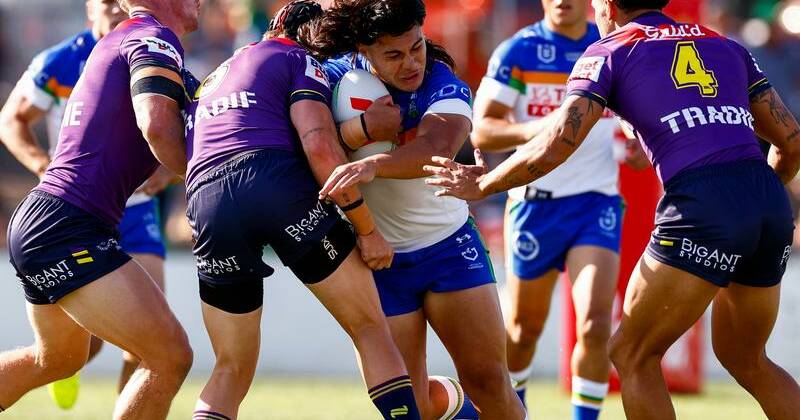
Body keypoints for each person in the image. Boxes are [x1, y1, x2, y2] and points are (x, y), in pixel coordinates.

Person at [424, 0, 800, 419]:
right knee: (749, 360)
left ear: (606, 5)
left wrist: (484, 182)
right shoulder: (723, 43)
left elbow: (557, 143)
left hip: (701, 203)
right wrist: (751, 201)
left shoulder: (610, 50)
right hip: (767, 200)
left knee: (631, 354)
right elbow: (792, 142)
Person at [183, 2, 420, 419]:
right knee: (369, 327)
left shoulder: (218, 74)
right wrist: (367, 230)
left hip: (206, 197)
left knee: (231, 367)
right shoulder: (298, 59)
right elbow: (318, 145)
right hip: (274, 183)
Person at [301, 0, 526, 418]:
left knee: (490, 383)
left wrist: (369, 163)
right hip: (379, 260)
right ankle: (452, 407)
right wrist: (359, 130)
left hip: (448, 247)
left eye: (417, 47)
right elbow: (305, 141)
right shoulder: (330, 80)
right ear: (364, 51)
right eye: (394, 54)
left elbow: (435, 149)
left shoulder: (442, 80)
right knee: (410, 408)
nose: (411, 63)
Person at [0, 0, 198, 418]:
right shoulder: (150, 36)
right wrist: (203, 178)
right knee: (169, 356)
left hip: (50, 220)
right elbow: (157, 125)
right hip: (69, 226)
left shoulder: (131, 41)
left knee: (56, 360)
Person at [471, 0, 645, 417]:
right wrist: (548, 126)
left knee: (596, 323)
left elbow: (635, 115)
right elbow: (484, 130)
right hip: (535, 206)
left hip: (595, 203)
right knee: (522, 330)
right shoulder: (518, 50)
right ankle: (517, 410)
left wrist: (639, 142)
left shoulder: (611, 45)